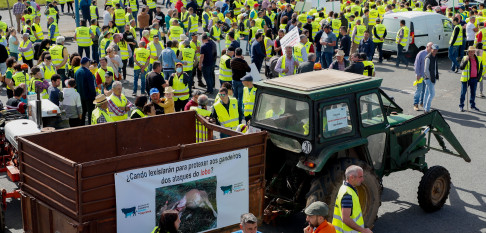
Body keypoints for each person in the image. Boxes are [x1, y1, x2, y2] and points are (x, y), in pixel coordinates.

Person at [332, 165, 372, 233]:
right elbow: (346, 219)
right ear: (351, 177)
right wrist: (363, 230)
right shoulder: (347, 195)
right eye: (360, 177)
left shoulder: (344, 188)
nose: (363, 179)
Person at [459, 46, 482, 112]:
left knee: (473, 93)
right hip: (466, 79)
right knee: (463, 93)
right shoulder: (464, 58)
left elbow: (481, 68)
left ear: (474, 52)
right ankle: (461, 106)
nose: (471, 53)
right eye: (470, 52)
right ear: (468, 52)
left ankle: (472, 105)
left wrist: (478, 77)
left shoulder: (478, 58)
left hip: (474, 79)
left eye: (472, 51)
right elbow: (461, 67)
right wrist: (466, 61)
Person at [75, 57, 97, 125]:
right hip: (89, 97)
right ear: (87, 63)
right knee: (91, 113)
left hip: (80, 96)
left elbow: (75, 84)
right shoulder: (88, 73)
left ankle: (82, 126)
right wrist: (94, 95)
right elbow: (91, 86)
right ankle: (90, 126)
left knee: (83, 113)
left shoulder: (77, 72)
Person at [230, 47, 251, 113]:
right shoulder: (243, 62)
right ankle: (239, 110)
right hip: (242, 81)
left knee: (235, 95)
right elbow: (249, 69)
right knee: (241, 96)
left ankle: (234, 108)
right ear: (241, 54)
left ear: (235, 53)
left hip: (234, 79)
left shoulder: (232, 60)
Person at [413, 42, 433, 111]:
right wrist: (417, 74)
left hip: (427, 76)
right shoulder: (421, 53)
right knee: (419, 90)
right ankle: (416, 104)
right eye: (431, 47)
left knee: (425, 91)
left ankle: (422, 103)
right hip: (420, 76)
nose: (432, 49)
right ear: (427, 47)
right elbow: (416, 64)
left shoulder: (431, 55)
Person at [423, 44, 439, 114]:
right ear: (431, 49)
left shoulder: (434, 56)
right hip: (429, 79)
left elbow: (435, 67)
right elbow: (425, 70)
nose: (435, 51)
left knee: (427, 93)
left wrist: (436, 75)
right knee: (432, 94)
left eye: (436, 50)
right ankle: (427, 109)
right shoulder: (428, 58)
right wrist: (430, 78)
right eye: (433, 49)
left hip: (432, 78)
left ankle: (425, 107)